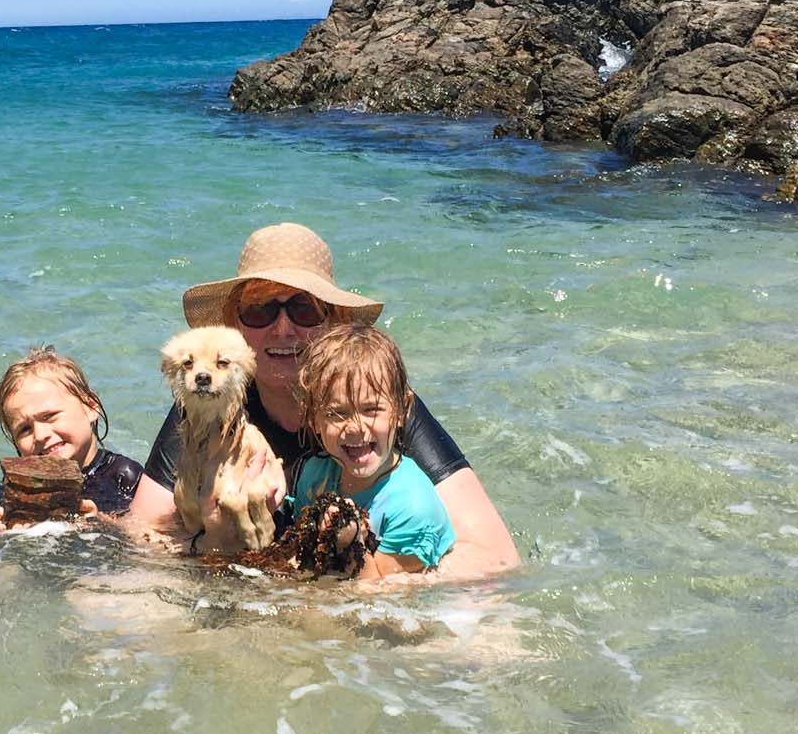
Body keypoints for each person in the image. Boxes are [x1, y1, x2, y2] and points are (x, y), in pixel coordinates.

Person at [128, 223, 518, 576]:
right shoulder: (209, 399)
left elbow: (496, 557)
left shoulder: (381, 407)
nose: (283, 329)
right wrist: (213, 545)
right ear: (236, 324)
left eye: (303, 309)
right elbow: (140, 538)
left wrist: (370, 585)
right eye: (261, 310)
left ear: (333, 320)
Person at [289, 323, 455, 577]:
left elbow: (381, 593)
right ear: (314, 420)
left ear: (400, 411)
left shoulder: (414, 506)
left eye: (371, 409)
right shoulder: (314, 476)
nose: (355, 427)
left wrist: (349, 543)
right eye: (337, 413)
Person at [0, 346, 143, 523]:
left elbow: (149, 533)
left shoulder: (124, 476)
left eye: (49, 416)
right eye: (25, 429)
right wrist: (1, 531)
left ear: (90, 406)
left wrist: (100, 523)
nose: (39, 435)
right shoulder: (18, 485)